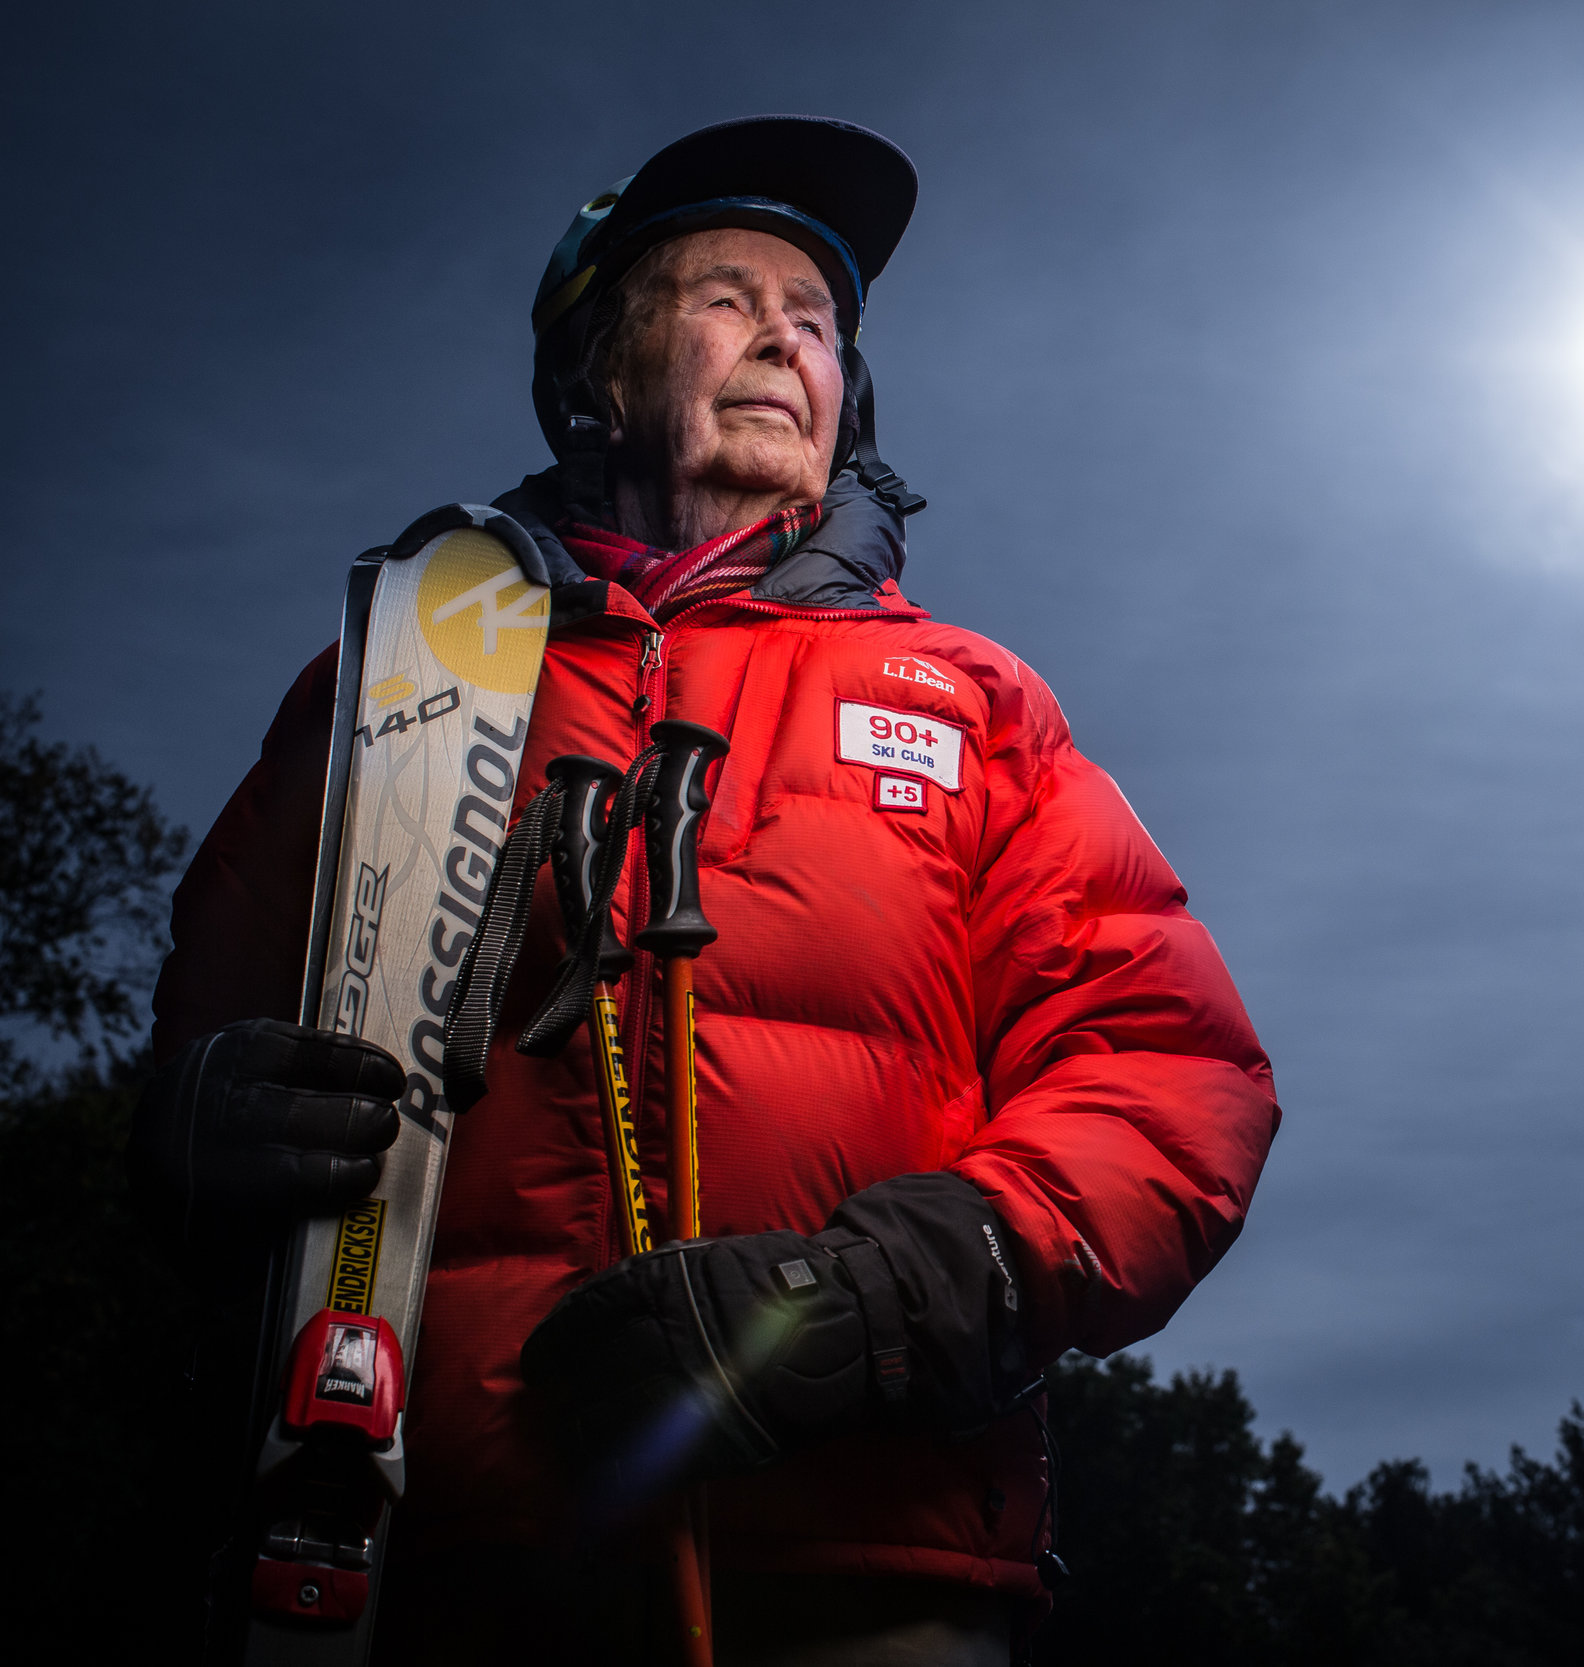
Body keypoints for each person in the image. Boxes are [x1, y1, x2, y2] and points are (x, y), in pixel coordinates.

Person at [132, 116, 1279, 1666]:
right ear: (599, 369)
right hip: (429, 1555)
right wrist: (198, 1125)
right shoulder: (390, 684)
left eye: (818, 324)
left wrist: (878, 1301)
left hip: (859, 1559)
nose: (787, 339)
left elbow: (1170, 1077)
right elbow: (200, 1046)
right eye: (729, 297)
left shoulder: (970, 702)